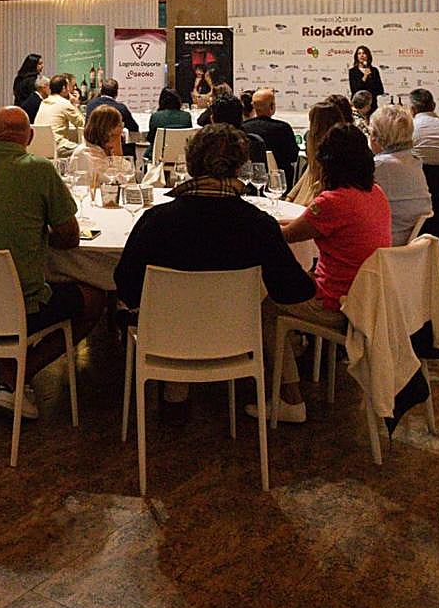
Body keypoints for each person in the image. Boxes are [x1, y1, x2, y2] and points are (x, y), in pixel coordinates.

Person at [114, 123, 316, 421]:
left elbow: (126, 286)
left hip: (165, 339)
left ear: (191, 164)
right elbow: (292, 290)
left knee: (174, 314)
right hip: (236, 341)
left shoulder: (156, 220)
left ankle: (175, 397)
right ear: (239, 167)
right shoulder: (258, 224)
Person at [0, 107, 106, 418]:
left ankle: (8, 374)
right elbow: (70, 238)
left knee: (20, 278)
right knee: (95, 298)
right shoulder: (39, 169)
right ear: (30, 137)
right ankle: (17, 375)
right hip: (19, 304)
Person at [257, 124, 392, 422]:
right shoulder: (376, 194)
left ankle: (290, 398)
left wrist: (259, 221)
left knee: (268, 307)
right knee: (293, 279)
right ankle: (296, 351)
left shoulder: (332, 203)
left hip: (338, 304)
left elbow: (287, 236)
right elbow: (300, 228)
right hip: (369, 301)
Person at [369, 106, 433, 246]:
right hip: (409, 242)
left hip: (383, 243)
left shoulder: (378, 166)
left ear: (374, 136)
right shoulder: (415, 161)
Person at [287, 101, 347, 205]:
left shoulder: (332, 162)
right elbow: (309, 173)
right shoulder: (315, 148)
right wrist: (289, 198)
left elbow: (315, 204)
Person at [243, 88, 300, 186]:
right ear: (272, 106)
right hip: (281, 183)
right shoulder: (283, 128)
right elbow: (293, 156)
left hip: (250, 184)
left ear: (253, 106)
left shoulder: (243, 128)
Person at [206, 94, 267, 167]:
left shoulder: (205, 144)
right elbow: (261, 172)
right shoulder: (255, 143)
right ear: (241, 118)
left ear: (212, 119)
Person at [34, 75, 84, 158]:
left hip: (40, 146)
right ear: (64, 88)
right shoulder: (64, 103)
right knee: (85, 150)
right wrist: (74, 104)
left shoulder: (44, 102)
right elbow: (81, 123)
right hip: (58, 146)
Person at [70, 105, 124, 181]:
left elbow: (130, 179)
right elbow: (114, 181)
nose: (121, 130)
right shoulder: (85, 153)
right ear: (106, 129)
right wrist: (118, 151)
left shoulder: (108, 150)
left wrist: (118, 153)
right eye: (119, 125)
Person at [144, 88, 192, 161]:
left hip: (159, 154)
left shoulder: (156, 116)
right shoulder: (186, 116)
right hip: (182, 153)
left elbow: (151, 138)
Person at [86, 78, 139, 143]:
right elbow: (134, 128)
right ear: (116, 93)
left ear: (101, 91)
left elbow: (87, 126)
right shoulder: (121, 108)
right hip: (112, 145)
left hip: (92, 144)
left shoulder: (90, 104)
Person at [348, 45, 384, 112]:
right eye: (359, 53)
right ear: (356, 56)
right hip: (358, 106)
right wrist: (365, 76)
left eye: (364, 53)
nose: (361, 55)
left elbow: (380, 90)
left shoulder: (374, 70)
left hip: (371, 105)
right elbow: (355, 90)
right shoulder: (353, 71)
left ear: (368, 56)